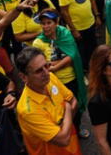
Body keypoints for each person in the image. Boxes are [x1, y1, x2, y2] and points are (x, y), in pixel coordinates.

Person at [16, 46, 81, 155]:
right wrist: (68, 109)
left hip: (73, 149)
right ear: (23, 77)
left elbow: (74, 100)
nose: (46, 72)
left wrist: (63, 127)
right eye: (38, 71)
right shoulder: (27, 110)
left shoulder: (51, 78)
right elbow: (63, 140)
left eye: (46, 65)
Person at [33, 10, 88, 138]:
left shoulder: (65, 33)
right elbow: (42, 64)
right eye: (43, 23)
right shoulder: (38, 43)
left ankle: (76, 128)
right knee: (59, 111)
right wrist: (55, 65)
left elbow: (72, 55)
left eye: (49, 23)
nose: (46, 26)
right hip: (53, 83)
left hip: (71, 78)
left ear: (56, 23)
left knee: (75, 106)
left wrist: (55, 66)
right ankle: (63, 133)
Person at [58, 0, 99, 69]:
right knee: (81, 52)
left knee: (93, 48)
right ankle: (85, 71)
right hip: (77, 27)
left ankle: (95, 67)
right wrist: (73, 30)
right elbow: (64, 12)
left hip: (90, 23)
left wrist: (97, 16)